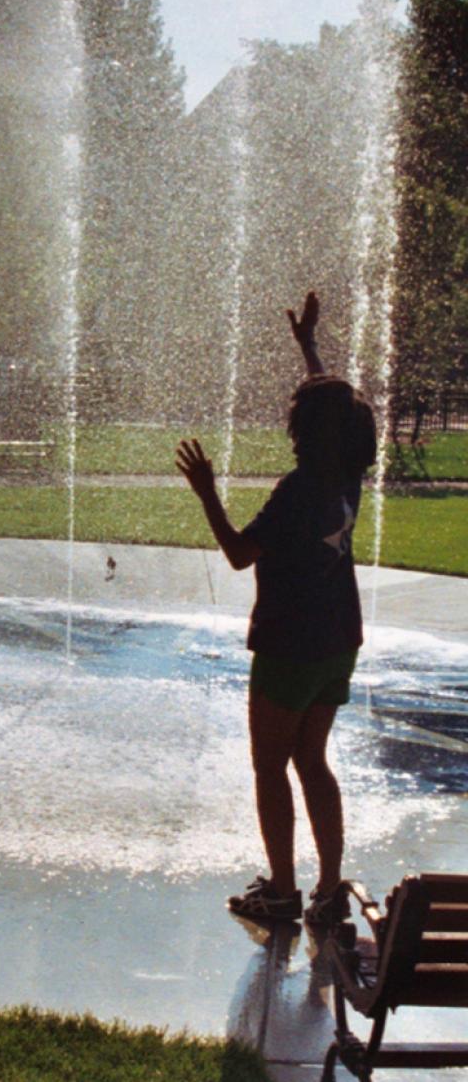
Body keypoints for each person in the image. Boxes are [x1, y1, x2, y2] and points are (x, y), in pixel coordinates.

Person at [175, 292, 376, 927]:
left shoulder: (296, 491)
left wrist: (207, 494)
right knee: (312, 759)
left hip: (291, 647)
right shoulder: (348, 476)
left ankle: (283, 893)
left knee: (270, 767)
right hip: (338, 640)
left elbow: (237, 553)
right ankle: (328, 888)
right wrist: (308, 346)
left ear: (304, 432)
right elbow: (332, 403)